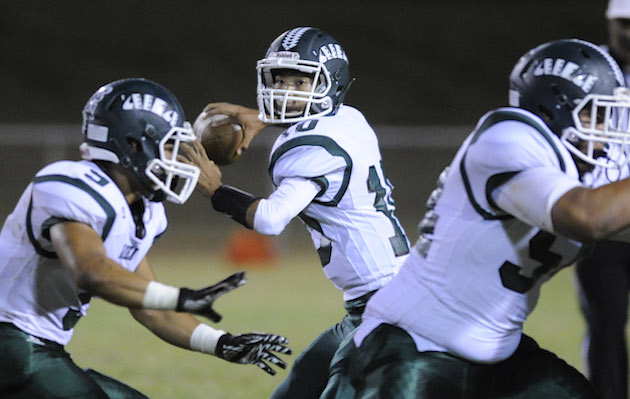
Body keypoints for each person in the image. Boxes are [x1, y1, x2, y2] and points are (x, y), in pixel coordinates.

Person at [319, 38, 630, 399]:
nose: (608, 132)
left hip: (499, 356)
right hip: (414, 344)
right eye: (597, 114)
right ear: (555, 105)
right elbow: (589, 216)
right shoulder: (507, 137)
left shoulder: (583, 167)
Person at [0, 78, 291, 398]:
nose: (179, 157)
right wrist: (179, 296)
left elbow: (151, 308)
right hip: (12, 341)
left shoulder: (144, 210)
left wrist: (222, 343)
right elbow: (91, 272)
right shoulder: (73, 184)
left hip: (37, 348)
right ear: (134, 145)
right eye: (169, 145)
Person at [191, 27, 410, 399]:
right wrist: (262, 116)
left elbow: (270, 218)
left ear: (330, 85)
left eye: (300, 82)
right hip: (378, 301)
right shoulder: (351, 120)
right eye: (281, 81)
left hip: (390, 312)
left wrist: (215, 190)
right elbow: (313, 117)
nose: (286, 92)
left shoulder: (309, 147)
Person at [575, 2, 630, 398]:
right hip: (603, 225)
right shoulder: (589, 70)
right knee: (604, 328)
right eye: (625, 23)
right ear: (611, 22)